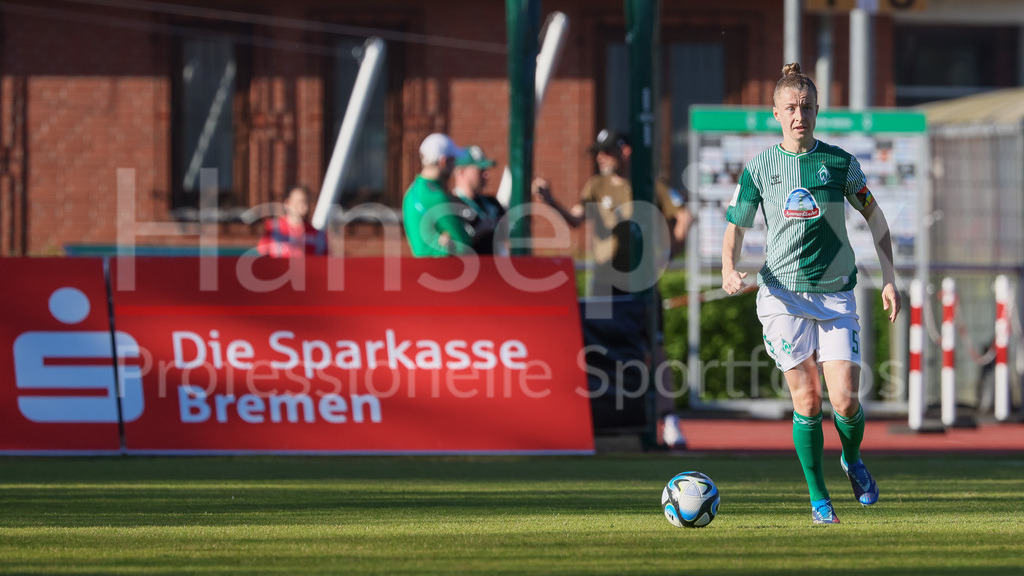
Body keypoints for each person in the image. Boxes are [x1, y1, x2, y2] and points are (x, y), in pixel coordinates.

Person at [721, 63, 902, 525]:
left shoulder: (840, 163)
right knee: (807, 400)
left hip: (837, 294)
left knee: (845, 401)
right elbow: (736, 226)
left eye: (806, 107)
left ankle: (852, 459)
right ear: (775, 113)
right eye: (790, 108)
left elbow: (876, 218)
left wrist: (889, 278)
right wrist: (728, 269)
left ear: (817, 110)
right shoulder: (760, 167)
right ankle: (819, 499)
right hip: (782, 297)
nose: (799, 115)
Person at [533, 129, 695, 450]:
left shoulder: (649, 184)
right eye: (598, 152)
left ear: (625, 151)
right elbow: (576, 220)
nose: (600, 157)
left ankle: (668, 420)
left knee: (654, 349)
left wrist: (671, 248)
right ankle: (600, 420)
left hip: (641, 280)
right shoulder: (596, 185)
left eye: (606, 151)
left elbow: (685, 214)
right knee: (597, 348)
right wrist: (551, 201)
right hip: (604, 279)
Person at [402, 133, 474, 257]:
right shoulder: (436, 196)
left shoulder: (412, 190)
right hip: (440, 269)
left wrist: (448, 234)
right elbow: (465, 245)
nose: (454, 167)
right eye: (453, 161)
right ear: (443, 162)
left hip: (424, 268)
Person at [450, 145, 507, 255]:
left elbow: (511, 235)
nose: (486, 174)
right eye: (480, 170)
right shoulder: (450, 204)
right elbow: (453, 245)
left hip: (493, 267)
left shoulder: (491, 203)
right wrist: (481, 230)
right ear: (461, 171)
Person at [257, 185, 326, 257]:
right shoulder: (273, 228)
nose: (301, 206)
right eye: (297, 202)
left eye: (304, 202)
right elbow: (263, 255)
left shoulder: (316, 234)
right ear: (287, 203)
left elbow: (323, 261)